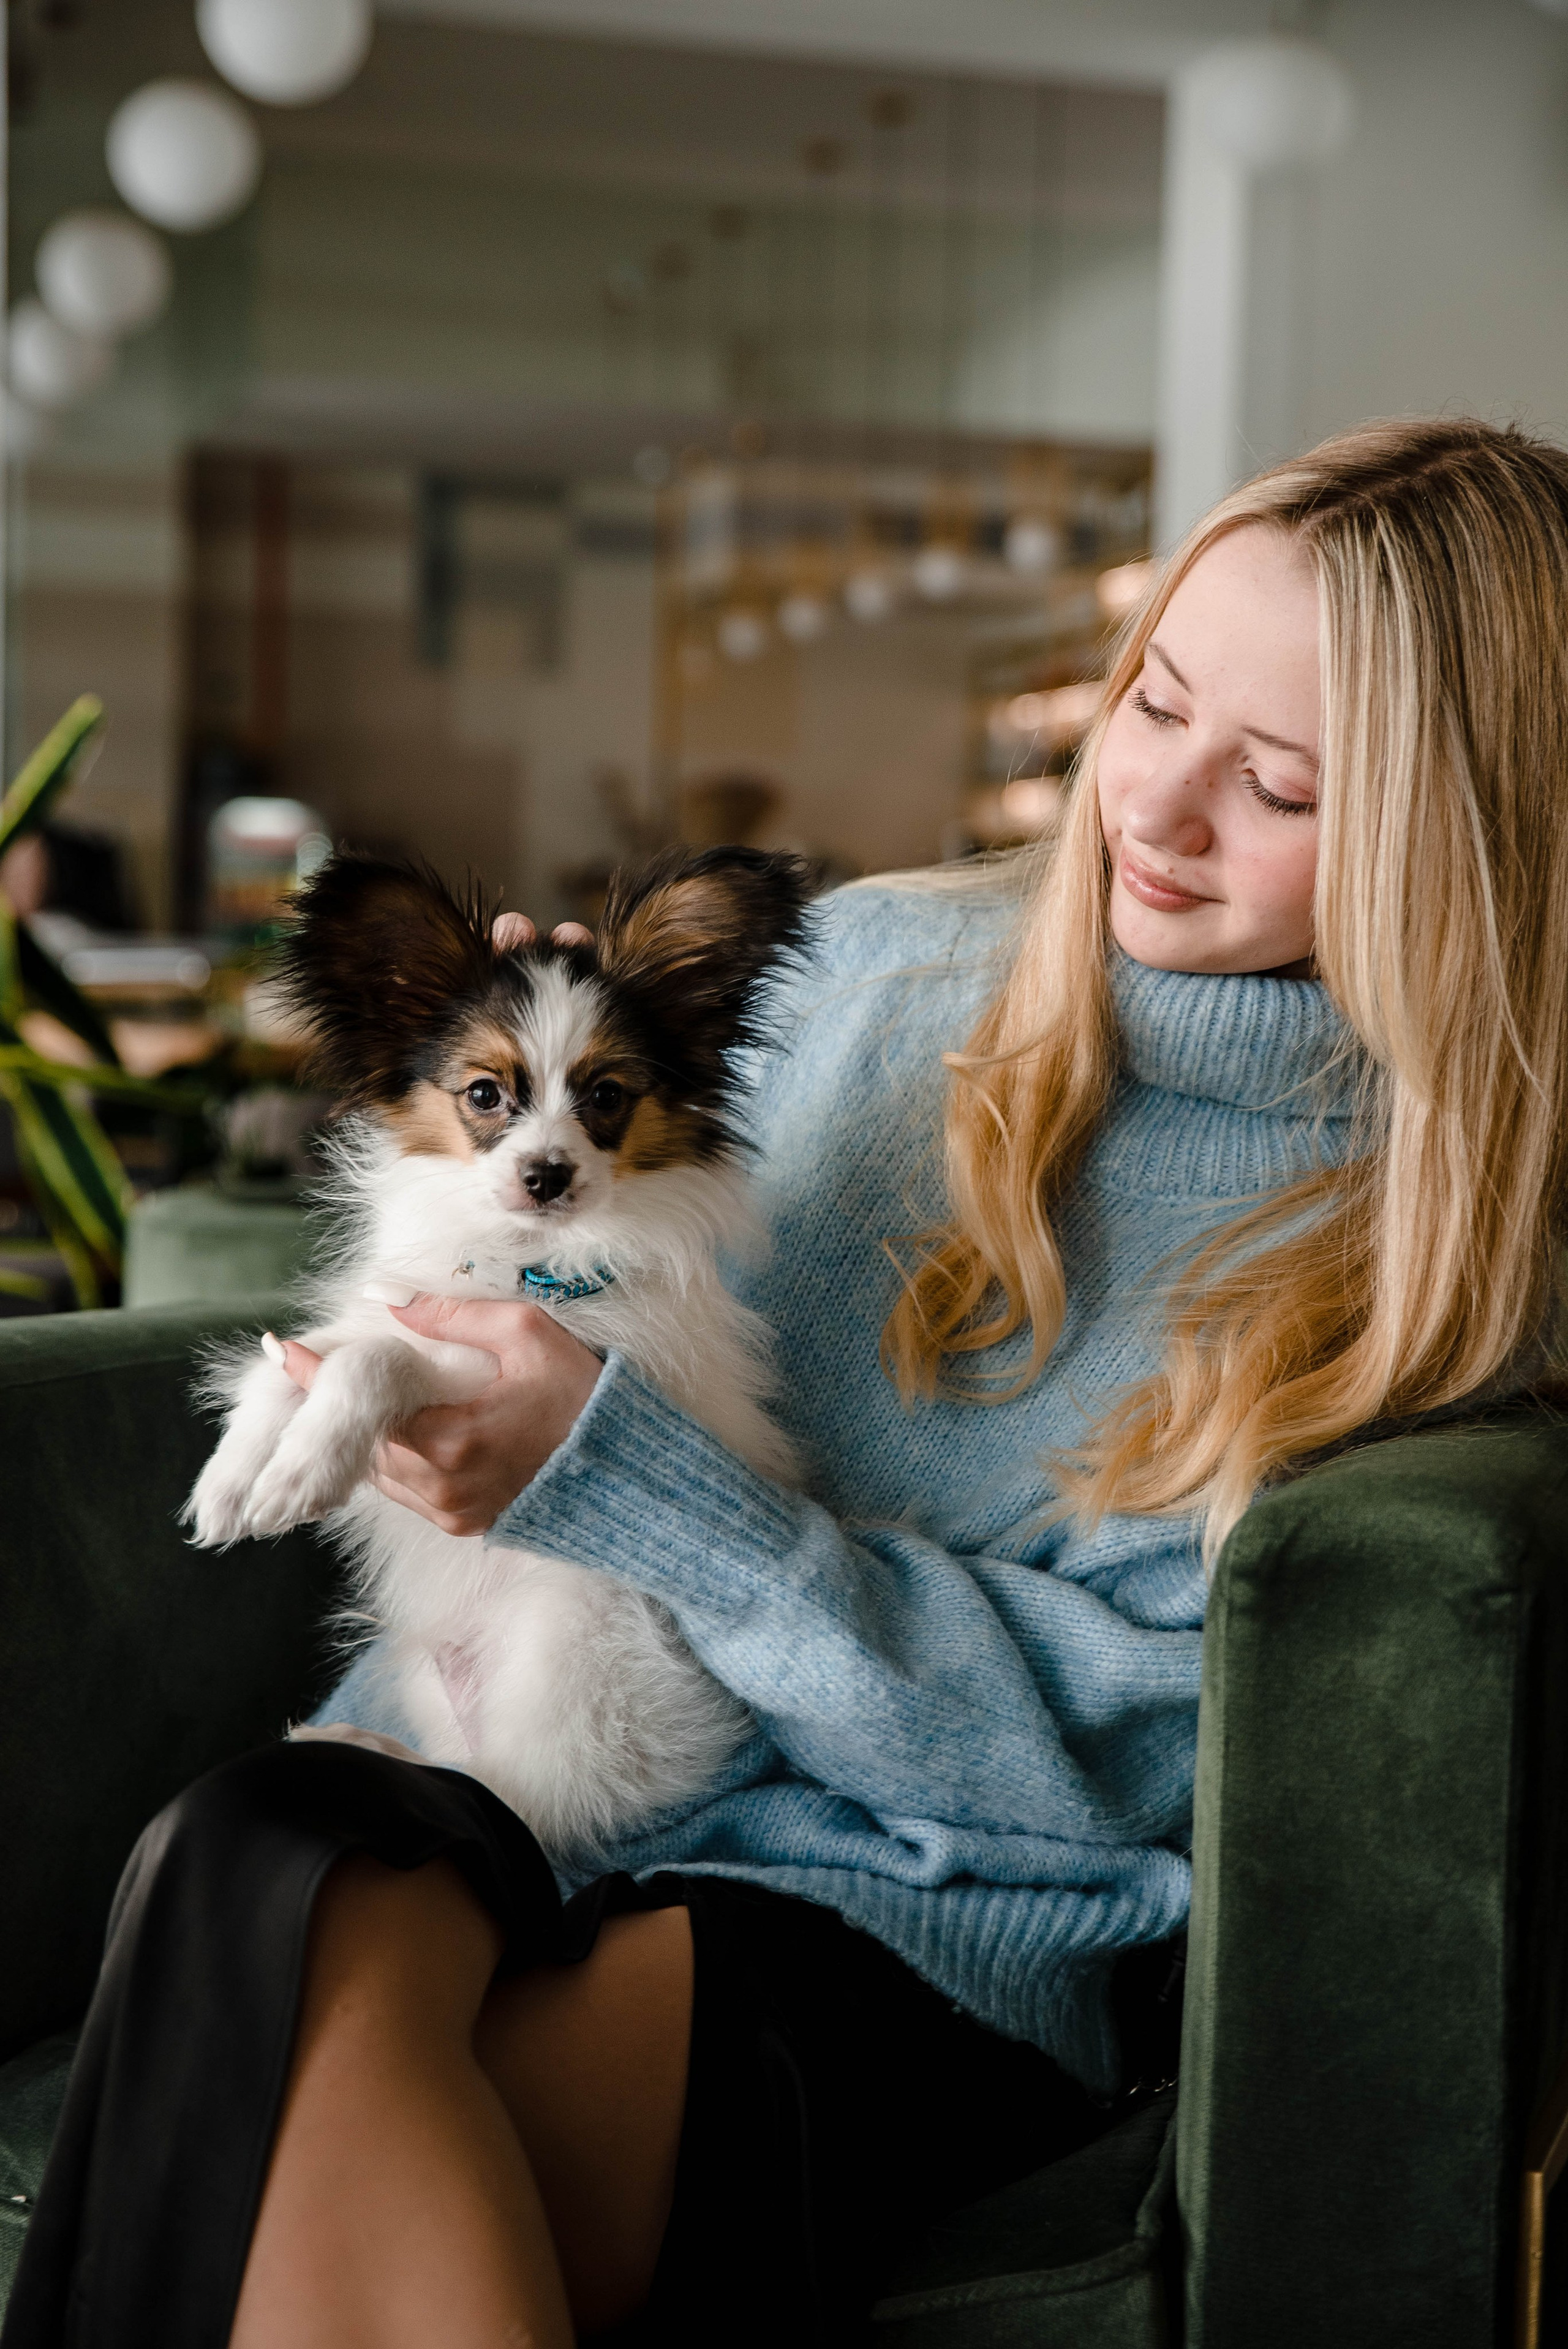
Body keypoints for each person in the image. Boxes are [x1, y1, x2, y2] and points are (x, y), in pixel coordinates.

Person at [8, 417, 1567, 2349]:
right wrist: (516, 1154)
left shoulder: (1420, 1260)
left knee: (250, 2008)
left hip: (902, 1913)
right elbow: (531, 1326)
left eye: (1281, 786)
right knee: (263, 1848)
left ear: (1457, 837)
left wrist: (626, 1475)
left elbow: (1103, 1781)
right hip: (533, 1789)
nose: (1155, 806)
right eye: (1155, 699)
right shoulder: (854, 977)